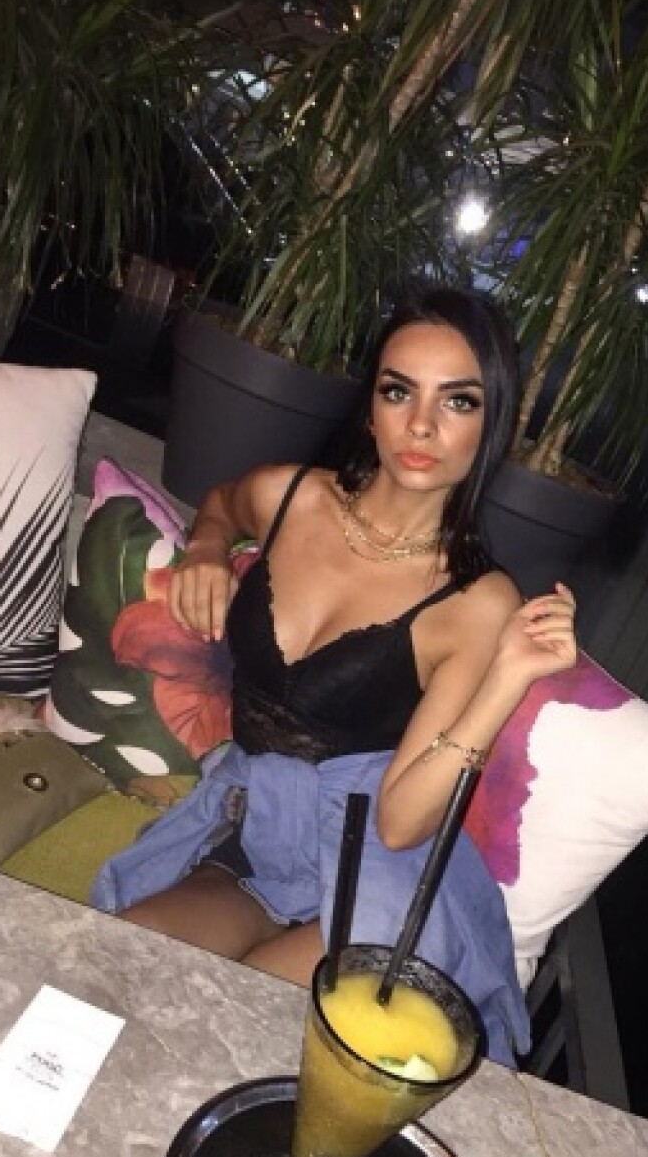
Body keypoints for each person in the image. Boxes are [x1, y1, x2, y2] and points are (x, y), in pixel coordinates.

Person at [90, 287, 578, 1066]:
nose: (421, 425)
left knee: (226, 1031)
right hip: (254, 828)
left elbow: (402, 823)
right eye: (398, 392)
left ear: (492, 425)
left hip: (372, 865)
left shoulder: (477, 600)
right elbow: (222, 503)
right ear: (372, 409)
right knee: (122, 964)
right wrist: (208, 546)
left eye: (457, 401)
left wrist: (506, 680)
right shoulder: (294, 496)